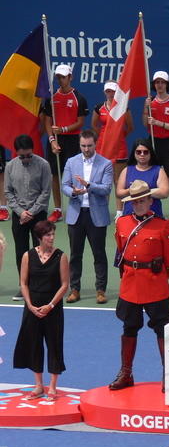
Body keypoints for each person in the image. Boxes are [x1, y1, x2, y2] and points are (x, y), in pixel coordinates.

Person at [109, 180, 169, 391]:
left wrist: (157, 276)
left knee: (162, 329)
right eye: (135, 202)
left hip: (154, 284)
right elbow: (121, 252)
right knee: (129, 327)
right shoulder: (122, 223)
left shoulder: (162, 225)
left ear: (150, 200)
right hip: (130, 284)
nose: (139, 205)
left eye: (142, 201)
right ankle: (126, 373)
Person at [13, 220, 69, 401]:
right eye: (48, 235)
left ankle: (52, 387)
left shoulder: (61, 257)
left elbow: (64, 285)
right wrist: (30, 305)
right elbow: (23, 282)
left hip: (53, 307)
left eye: (53, 234)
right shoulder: (28, 256)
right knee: (34, 344)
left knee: (54, 344)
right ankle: (39, 386)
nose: (52, 238)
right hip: (33, 306)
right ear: (39, 237)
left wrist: (51, 305)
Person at [61, 129, 114, 305]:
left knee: (99, 254)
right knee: (75, 255)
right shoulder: (71, 162)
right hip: (76, 214)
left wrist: (88, 185)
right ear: (80, 144)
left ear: (95, 144)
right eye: (83, 146)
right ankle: (74, 289)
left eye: (89, 145)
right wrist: (74, 192)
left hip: (96, 215)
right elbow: (65, 186)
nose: (86, 149)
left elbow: (106, 189)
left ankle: (101, 290)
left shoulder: (105, 164)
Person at [4, 134, 52, 300]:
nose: (25, 159)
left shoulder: (43, 165)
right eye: (21, 156)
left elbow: (46, 192)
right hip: (19, 216)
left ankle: (41, 287)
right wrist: (20, 211)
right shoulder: (10, 167)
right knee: (21, 252)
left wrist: (31, 212)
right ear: (16, 152)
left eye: (28, 155)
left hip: (38, 215)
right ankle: (24, 286)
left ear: (33, 151)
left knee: (41, 252)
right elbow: (8, 192)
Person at [43, 64, 89, 222]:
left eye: (64, 77)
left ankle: (75, 206)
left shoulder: (79, 98)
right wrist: (52, 141)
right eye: (58, 77)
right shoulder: (51, 98)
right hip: (55, 140)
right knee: (55, 175)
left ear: (71, 77)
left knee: (74, 175)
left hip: (72, 140)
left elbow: (80, 123)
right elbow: (47, 121)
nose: (61, 80)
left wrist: (63, 129)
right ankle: (57, 210)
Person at [92, 80, 134, 213]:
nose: (110, 94)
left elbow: (130, 127)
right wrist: (105, 138)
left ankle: (119, 212)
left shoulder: (123, 108)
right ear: (105, 92)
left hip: (119, 148)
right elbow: (94, 125)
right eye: (108, 91)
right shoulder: (99, 107)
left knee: (118, 180)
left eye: (113, 91)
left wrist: (118, 138)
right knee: (104, 180)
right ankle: (103, 210)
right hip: (102, 148)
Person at [143, 71, 169, 202]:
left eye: (162, 82)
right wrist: (145, 107)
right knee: (152, 178)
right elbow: (144, 123)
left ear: (167, 84)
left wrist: (158, 123)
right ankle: (152, 209)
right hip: (153, 142)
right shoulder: (150, 102)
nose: (159, 85)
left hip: (168, 144)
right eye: (157, 82)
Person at [116, 139, 169, 218]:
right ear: (134, 153)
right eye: (139, 152)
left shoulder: (158, 170)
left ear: (150, 153)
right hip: (130, 215)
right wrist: (131, 190)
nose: (142, 154)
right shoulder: (127, 170)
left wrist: (143, 190)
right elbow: (119, 193)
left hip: (153, 215)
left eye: (146, 152)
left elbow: (165, 193)